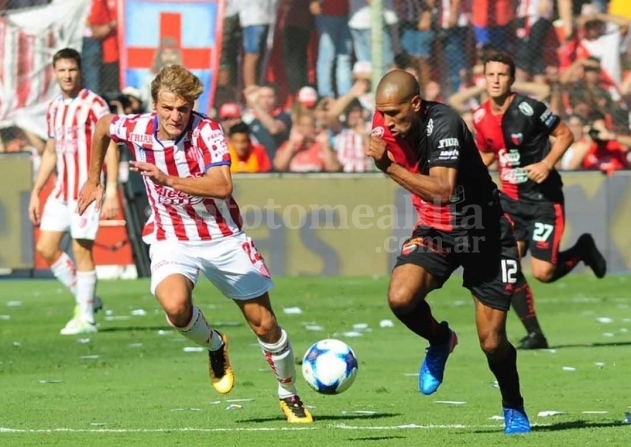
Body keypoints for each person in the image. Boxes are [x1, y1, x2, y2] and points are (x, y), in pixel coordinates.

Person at [76, 64, 313, 424]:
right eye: (168, 108)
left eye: (183, 109)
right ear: (154, 104)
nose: (175, 116)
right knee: (175, 307)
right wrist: (94, 178)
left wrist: (168, 178)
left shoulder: (207, 132)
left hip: (221, 237)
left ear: (192, 107)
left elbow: (221, 186)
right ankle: (215, 344)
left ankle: (288, 393)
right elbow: (106, 125)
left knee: (264, 324)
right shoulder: (137, 127)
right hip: (172, 236)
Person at [368, 69, 531, 435]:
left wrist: (388, 167)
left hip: (485, 233)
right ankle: (440, 339)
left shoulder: (445, 123)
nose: (387, 122)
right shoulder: (383, 121)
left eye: (395, 113)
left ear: (415, 103)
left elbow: (442, 188)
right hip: (436, 231)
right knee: (400, 297)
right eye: (382, 113)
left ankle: (513, 404)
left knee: (492, 342)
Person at [473, 52, 607, 350]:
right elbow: (486, 154)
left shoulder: (530, 108)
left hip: (543, 201)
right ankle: (535, 333)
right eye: (491, 75)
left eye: (502, 75)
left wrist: (546, 164)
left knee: (543, 273)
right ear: (484, 78)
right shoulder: (480, 117)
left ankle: (582, 249)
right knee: (507, 266)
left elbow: (565, 135)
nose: (496, 80)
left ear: (511, 78)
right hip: (509, 202)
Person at [28, 48, 120, 336]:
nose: (67, 75)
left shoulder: (94, 104)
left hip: (86, 190)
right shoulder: (55, 107)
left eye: (72, 70)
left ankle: (86, 318)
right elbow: (52, 151)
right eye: (62, 70)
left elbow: (111, 145)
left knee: (81, 250)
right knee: (46, 247)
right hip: (60, 191)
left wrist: (113, 188)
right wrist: (36, 190)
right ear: (54, 73)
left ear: (80, 71)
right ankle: (88, 298)